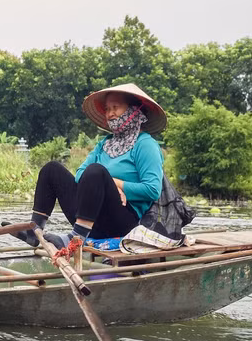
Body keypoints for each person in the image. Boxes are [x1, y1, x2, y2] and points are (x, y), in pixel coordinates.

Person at [14, 83, 165, 247]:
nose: (110, 114)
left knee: (96, 171)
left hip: (123, 223)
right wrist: (107, 185)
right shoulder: (104, 144)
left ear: (134, 110)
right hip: (91, 217)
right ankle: (34, 231)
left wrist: (114, 184)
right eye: (107, 109)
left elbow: (152, 190)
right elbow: (80, 175)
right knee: (52, 169)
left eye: (116, 107)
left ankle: (76, 238)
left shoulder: (145, 144)